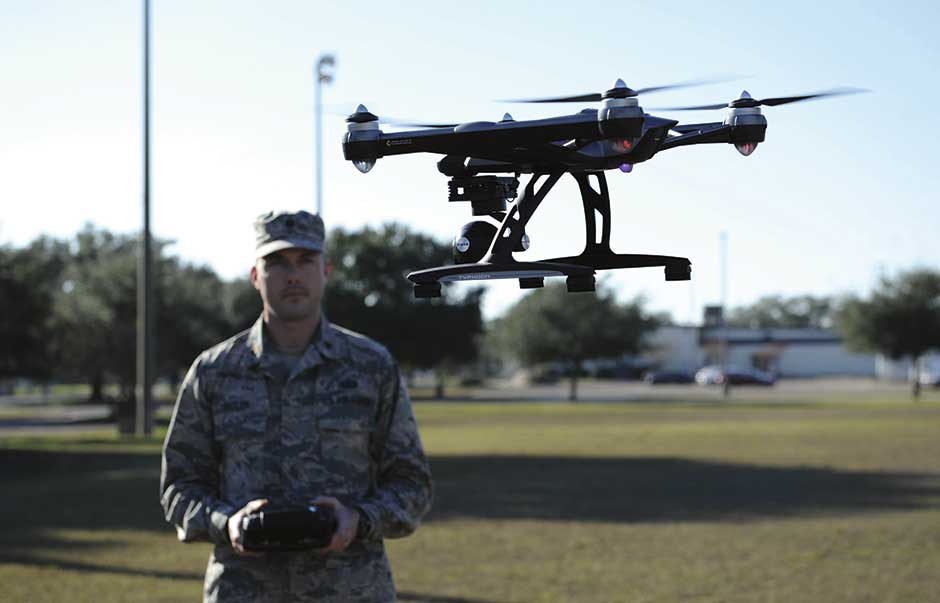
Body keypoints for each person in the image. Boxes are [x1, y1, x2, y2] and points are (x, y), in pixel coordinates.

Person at [161, 210, 433, 602]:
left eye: (305, 261)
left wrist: (357, 520)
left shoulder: (371, 367)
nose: (292, 276)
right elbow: (179, 487)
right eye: (276, 262)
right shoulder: (214, 371)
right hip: (244, 591)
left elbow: (411, 483)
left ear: (326, 271)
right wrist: (228, 522)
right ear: (255, 276)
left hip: (351, 591)